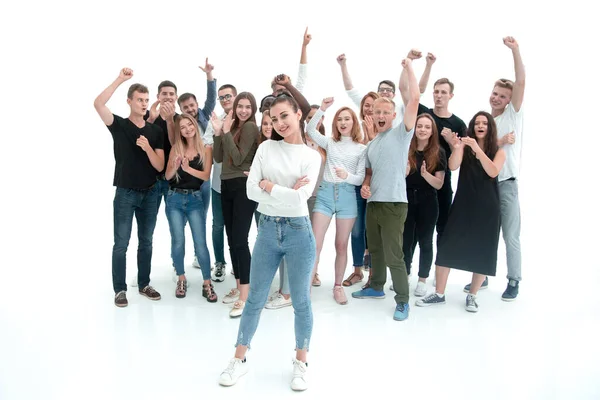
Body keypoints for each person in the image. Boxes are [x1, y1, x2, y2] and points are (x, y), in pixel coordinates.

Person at [218, 94, 321, 392]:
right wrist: (279, 190)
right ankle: (239, 358)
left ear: (298, 114)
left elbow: (300, 197)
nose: (279, 123)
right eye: (274, 119)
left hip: (299, 232)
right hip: (267, 230)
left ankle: (301, 361)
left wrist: (268, 185)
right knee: (255, 299)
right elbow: (251, 192)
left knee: (300, 301)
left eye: (284, 116)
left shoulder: (311, 156)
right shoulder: (266, 147)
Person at [351, 58, 419, 322]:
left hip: (394, 204)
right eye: (376, 112)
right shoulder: (372, 144)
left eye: (385, 112)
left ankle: (402, 300)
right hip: (374, 205)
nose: (380, 116)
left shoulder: (402, 133)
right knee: (376, 250)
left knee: (394, 255)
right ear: (371, 116)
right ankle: (376, 287)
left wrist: (409, 67)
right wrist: (366, 187)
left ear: (393, 115)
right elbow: (368, 174)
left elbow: (413, 99)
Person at [416, 111, 506, 312]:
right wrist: (457, 147)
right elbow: (452, 165)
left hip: (488, 207)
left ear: (490, 128)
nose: (481, 126)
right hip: (463, 203)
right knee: (446, 246)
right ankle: (439, 293)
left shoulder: (499, 151)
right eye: (477, 123)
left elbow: (493, 171)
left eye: (485, 123)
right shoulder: (464, 147)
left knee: (483, 250)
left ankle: (472, 295)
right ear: (472, 127)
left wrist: (476, 149)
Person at [93, 68, 164, 307]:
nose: (144, 104)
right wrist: (121, 80)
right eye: (140, 100)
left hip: (151, 193)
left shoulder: (154, 131)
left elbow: (159, 165)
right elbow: (98, 103)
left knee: (146, 241)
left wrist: (147, 148)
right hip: (125, 193)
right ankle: (120, 290)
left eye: (146, 100)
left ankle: (144, 284)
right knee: (121, 243)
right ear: (130, 101)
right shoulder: (120, 125)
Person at [463, 36, 526, 301]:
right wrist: (498, 141)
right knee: (482, 232)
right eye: (495, 93)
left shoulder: (512, 115)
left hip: (506, 184)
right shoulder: (485, 121)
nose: (497, 98)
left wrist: (515, 50)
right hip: (485, 185)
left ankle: (513, 280)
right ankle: (482, 274)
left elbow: (521, 82)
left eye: (503, 96)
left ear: (510, 100)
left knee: (510, 235)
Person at [306, 98, 366, 305]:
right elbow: (310, 130)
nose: (343, 122)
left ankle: (338, 286)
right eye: (339, 119)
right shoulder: (330, 142)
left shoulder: (361, 148)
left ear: (353, 122)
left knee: (341, 245)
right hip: (324, 195)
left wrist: (346, 176)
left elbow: (359, 177)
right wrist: (322, 108)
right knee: (315, 244)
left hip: (348, 196)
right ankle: (306, 286)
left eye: (347, 119)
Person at [212, 92, 260, 318]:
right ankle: (240, 284)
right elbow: (219, 158)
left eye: (247, 107)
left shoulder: (250, 128)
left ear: (253, 109)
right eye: (240, 106)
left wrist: (228, 132)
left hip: (242, 186)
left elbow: (239, 158)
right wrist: (218, 132)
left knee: (240, 240)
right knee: (232, 240)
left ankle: (245, 295)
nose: (243, 110)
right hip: (226, 184)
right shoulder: (231, 127)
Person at [164, 114, 216, 302]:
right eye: (183, 127)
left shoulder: (206, 148)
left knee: (200, 243)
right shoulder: (176, 148)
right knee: (178, 241)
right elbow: (168, 176)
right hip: (174, 199)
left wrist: (187, 169)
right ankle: (181, 278)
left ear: (195, 125)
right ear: (179, 131)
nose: (187, 129)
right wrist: (175, 165)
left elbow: (205, 176)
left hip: (195, 199)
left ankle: (207, 282)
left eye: (189, 125)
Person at [403, 114, 446, 297]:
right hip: (406, 199)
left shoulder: (438, 152)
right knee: (406, 241)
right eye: (419, 126)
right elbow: (398, 177)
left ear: (432, 131)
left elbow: (439, 184)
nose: (422, 130)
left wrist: (425, 174)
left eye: (427, 127)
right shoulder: (406, 148)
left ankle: (422, 279)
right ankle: (404, 274)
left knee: (425, 241)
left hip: (428, 201)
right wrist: (403, 173)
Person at [345, 91, 380, 289]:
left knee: (373, 232)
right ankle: (357, 270)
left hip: (378, 190)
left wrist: (372, 135)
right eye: (366, 105)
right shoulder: (355, 133)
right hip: (358, 188)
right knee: (357, 231)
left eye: (372, 105)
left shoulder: (385, 133)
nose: (368, 108)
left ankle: (373, 275)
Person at [204, 84, 238, 281]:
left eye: (228, 96)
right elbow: (213, 152)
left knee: (238, 226)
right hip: (218, 184)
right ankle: (219, 262)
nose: (225, 100)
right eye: (221, 97)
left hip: (240, 183)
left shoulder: (244, 119)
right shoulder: (215, 121)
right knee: (218, 225)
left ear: (235, 96)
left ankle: (238, 261)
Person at [336, 53, 405, 124]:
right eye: (381, 90)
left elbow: (408, 93)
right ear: (377, 93)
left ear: (394, 95)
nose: (384, 92)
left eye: (388, 90)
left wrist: (407, 66)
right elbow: (350, 89)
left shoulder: (400, 107)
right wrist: (343, 65)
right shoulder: (369, 104)